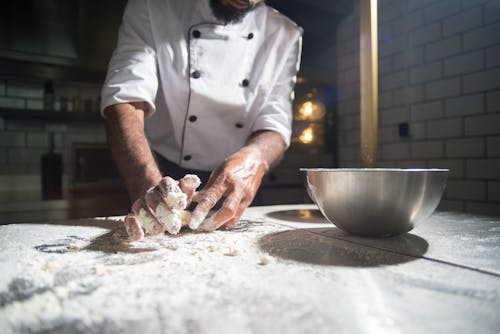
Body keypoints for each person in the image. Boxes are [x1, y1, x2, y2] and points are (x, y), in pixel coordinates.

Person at [101, 0, 303, 238]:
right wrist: (145, 182)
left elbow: (275, 123)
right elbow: (126, 96)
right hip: (157, 169)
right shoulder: (152, 8)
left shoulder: (284, 33)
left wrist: (255, 157)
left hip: (235, 182)